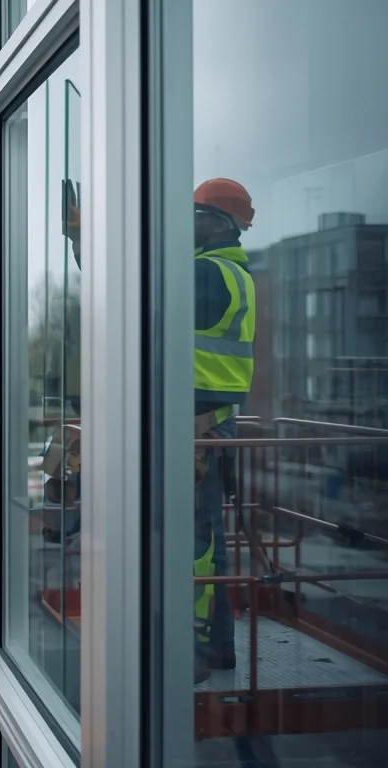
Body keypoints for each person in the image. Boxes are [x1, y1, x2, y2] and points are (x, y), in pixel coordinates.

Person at [191, 177, 256, 684]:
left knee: (200, 539)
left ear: (218, 223)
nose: (188, 225)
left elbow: (135, 296)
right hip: (212, 420)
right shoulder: (231, 273)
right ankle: (218, 647)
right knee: (209, 533)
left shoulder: (208, 274)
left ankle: (199, 645)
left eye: (196, 216)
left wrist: (88, 245)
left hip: (200, 425)